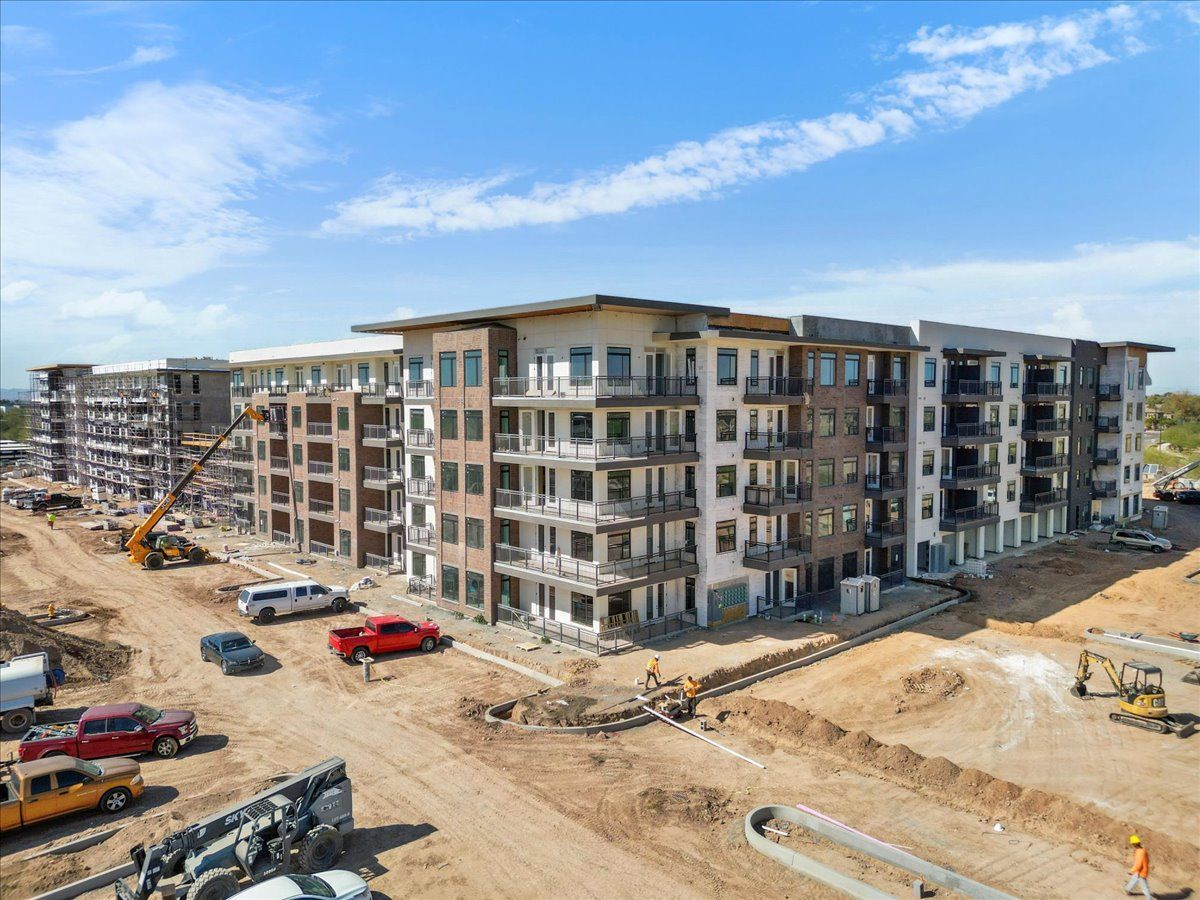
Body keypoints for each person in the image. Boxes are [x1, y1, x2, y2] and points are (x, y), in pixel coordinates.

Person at [1125, 835, 1151, 899]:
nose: (1132, 845)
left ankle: (1149, 898)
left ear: (1134, 844)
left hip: (1141, 872)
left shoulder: (1140, 852)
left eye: (1132, 844)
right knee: (1134, 879)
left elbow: (1138, 864)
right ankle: (1127, 889)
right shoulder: (1143, 850)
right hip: (1140, 871)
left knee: (1144, 887)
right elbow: (1147, 860)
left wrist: (1132, 870)